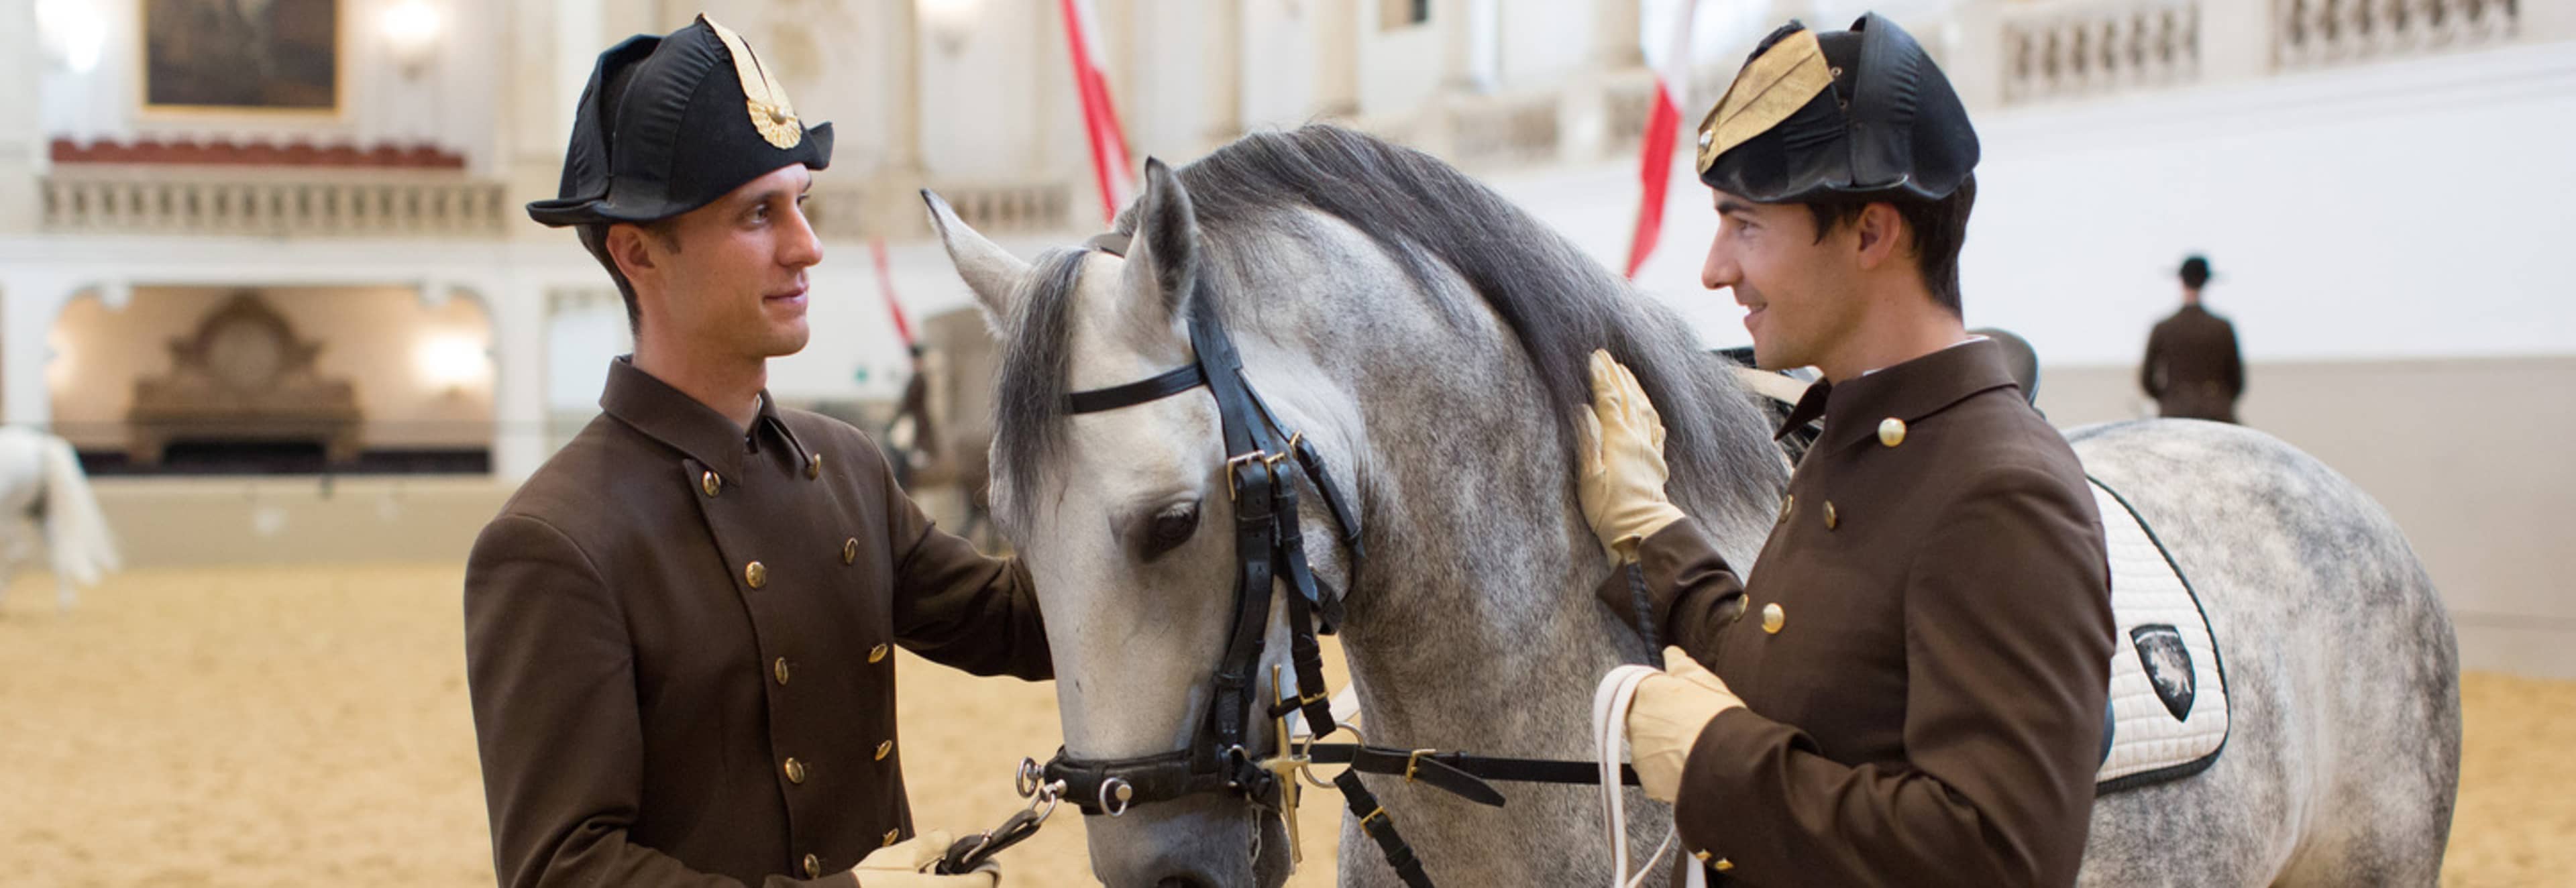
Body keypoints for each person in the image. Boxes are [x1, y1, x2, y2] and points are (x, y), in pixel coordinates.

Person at [465, 17, 1048, 887]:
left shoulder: (844, 464)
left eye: (800, 203)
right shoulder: (553, 542)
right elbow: (564, 869)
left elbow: (1019, 624)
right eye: (758, 214)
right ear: (637, 254)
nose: (806, 246)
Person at [1577, 14, 2114, 886]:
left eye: (1744, 225)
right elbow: (1792, 675)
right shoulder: (1868, 437)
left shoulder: (1999, 492)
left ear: (1870, 235)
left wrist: (1717, 760)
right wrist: (1649, 528)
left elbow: (1999, 858)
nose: (1715, 269)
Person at [2141, 255, 2246, 422]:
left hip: (2174, 412)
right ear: (2206, 283)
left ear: (2181, 281)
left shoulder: (2163, 327)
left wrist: (2170, 398)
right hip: (2217, 412)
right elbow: (2238, 382)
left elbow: (2146, 380)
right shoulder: (2223, 327)